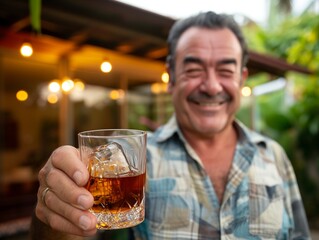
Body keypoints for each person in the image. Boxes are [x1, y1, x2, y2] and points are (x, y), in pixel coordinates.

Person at [30, 11, 311, 239]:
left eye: (226, 70)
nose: (212, 86)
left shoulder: (273, 155)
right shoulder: (131, 156)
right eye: (193, 69)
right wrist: (54, 216)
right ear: (171, 78)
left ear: (241, 78)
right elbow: (78, 229)